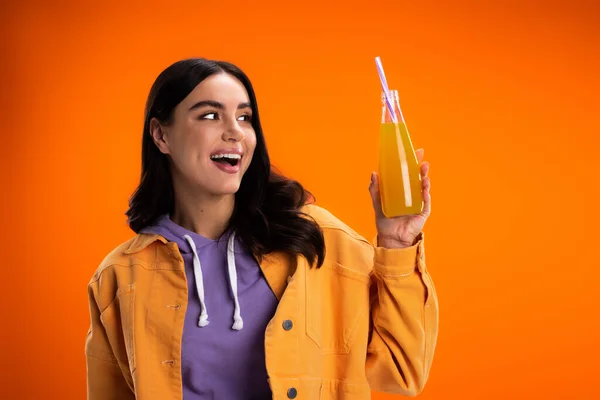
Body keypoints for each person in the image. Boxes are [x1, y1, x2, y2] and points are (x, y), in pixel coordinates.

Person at [84, 58, 439, 400]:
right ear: (161, 135)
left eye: (245, 117)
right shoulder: (120, 276)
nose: (235, 131)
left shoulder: (318, 242)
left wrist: (396, 243)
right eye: (210, 115)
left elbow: (402, 372)